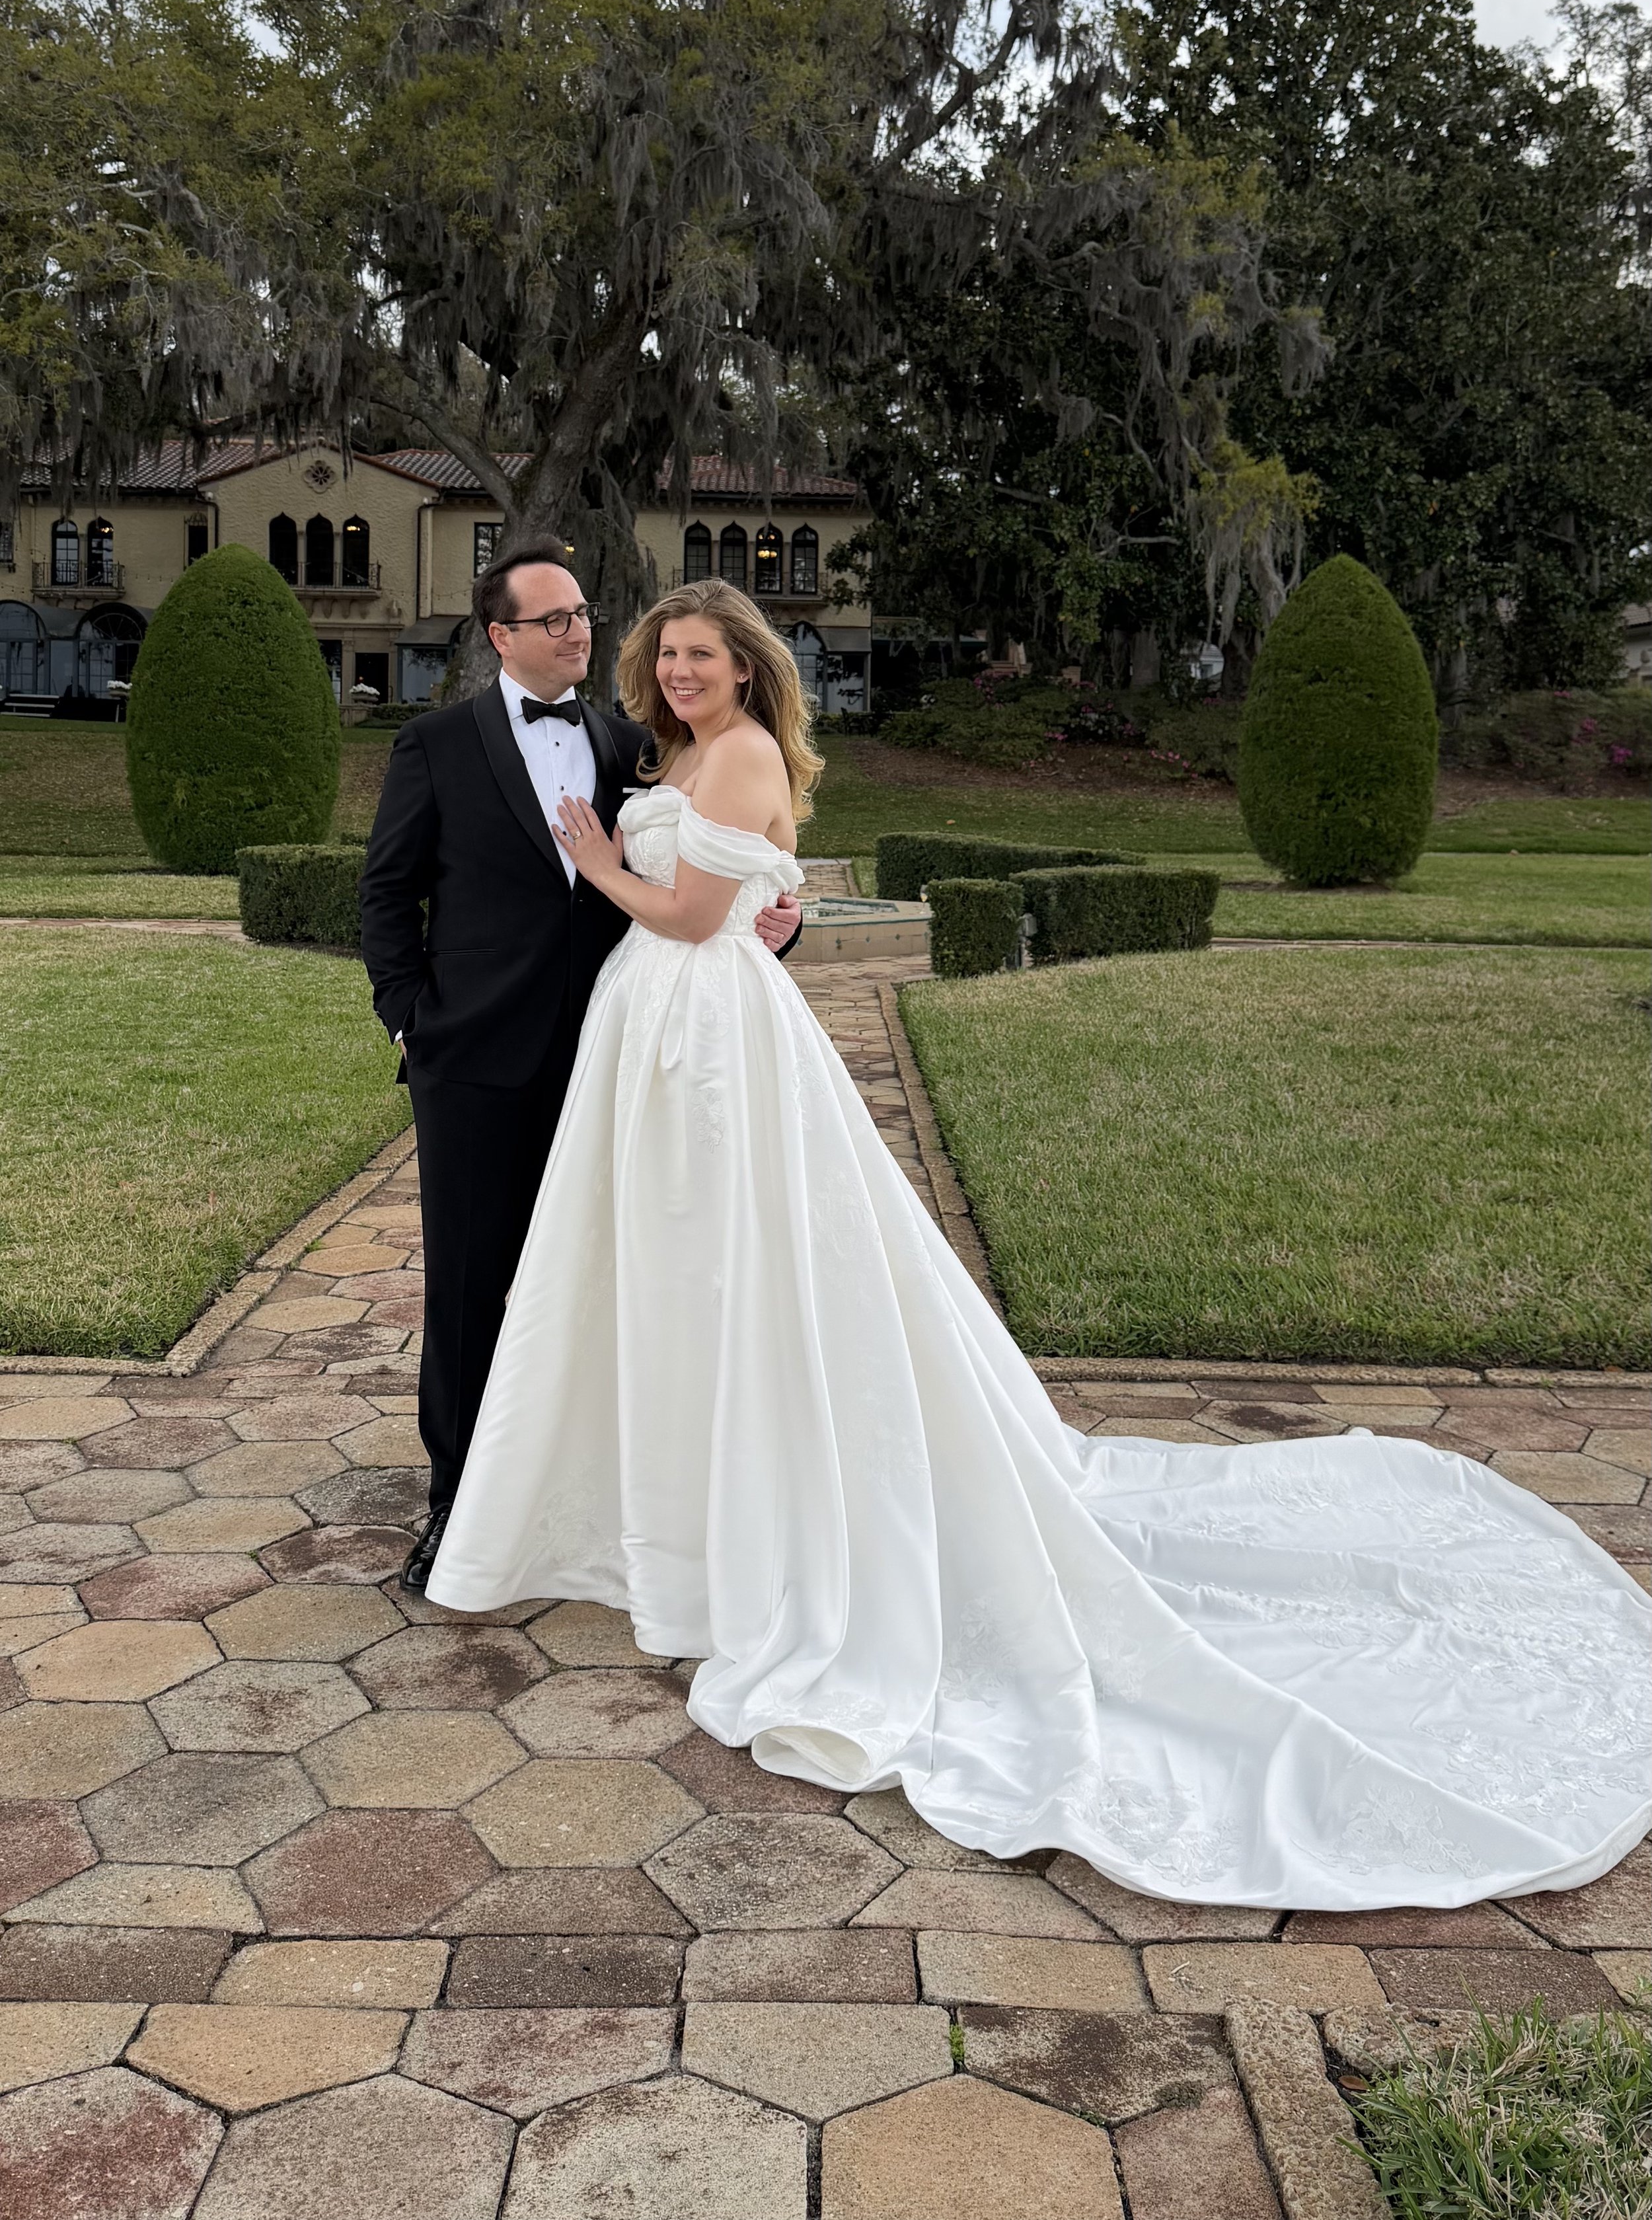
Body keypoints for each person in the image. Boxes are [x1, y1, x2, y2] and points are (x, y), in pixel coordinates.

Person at [427, 579, 1649, 1907]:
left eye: (702, 655)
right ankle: (665, 1503)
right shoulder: (673, 751)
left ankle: (754, 1512)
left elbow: (682, 914)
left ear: (746, 669)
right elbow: (731, 894)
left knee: (736, 1270)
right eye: (664, 654)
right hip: (661, 1028)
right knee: (669, 1274)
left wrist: (595, 854)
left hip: (704, 1028)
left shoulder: (740, 752)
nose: (679, 672)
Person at [357, 545, 802, 1592]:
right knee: (472, 1287)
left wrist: (779, 924)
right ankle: (457, 1508)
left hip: (621, 1059)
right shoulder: (435, 745)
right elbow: (386, 897)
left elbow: (722, 869)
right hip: (471, 1057)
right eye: (550, 619)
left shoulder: (634, 743)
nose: (576, 633)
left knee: (605, 1276)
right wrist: (409, 1023)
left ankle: (594, 1492)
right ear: (499, 635)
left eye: (582, 615)